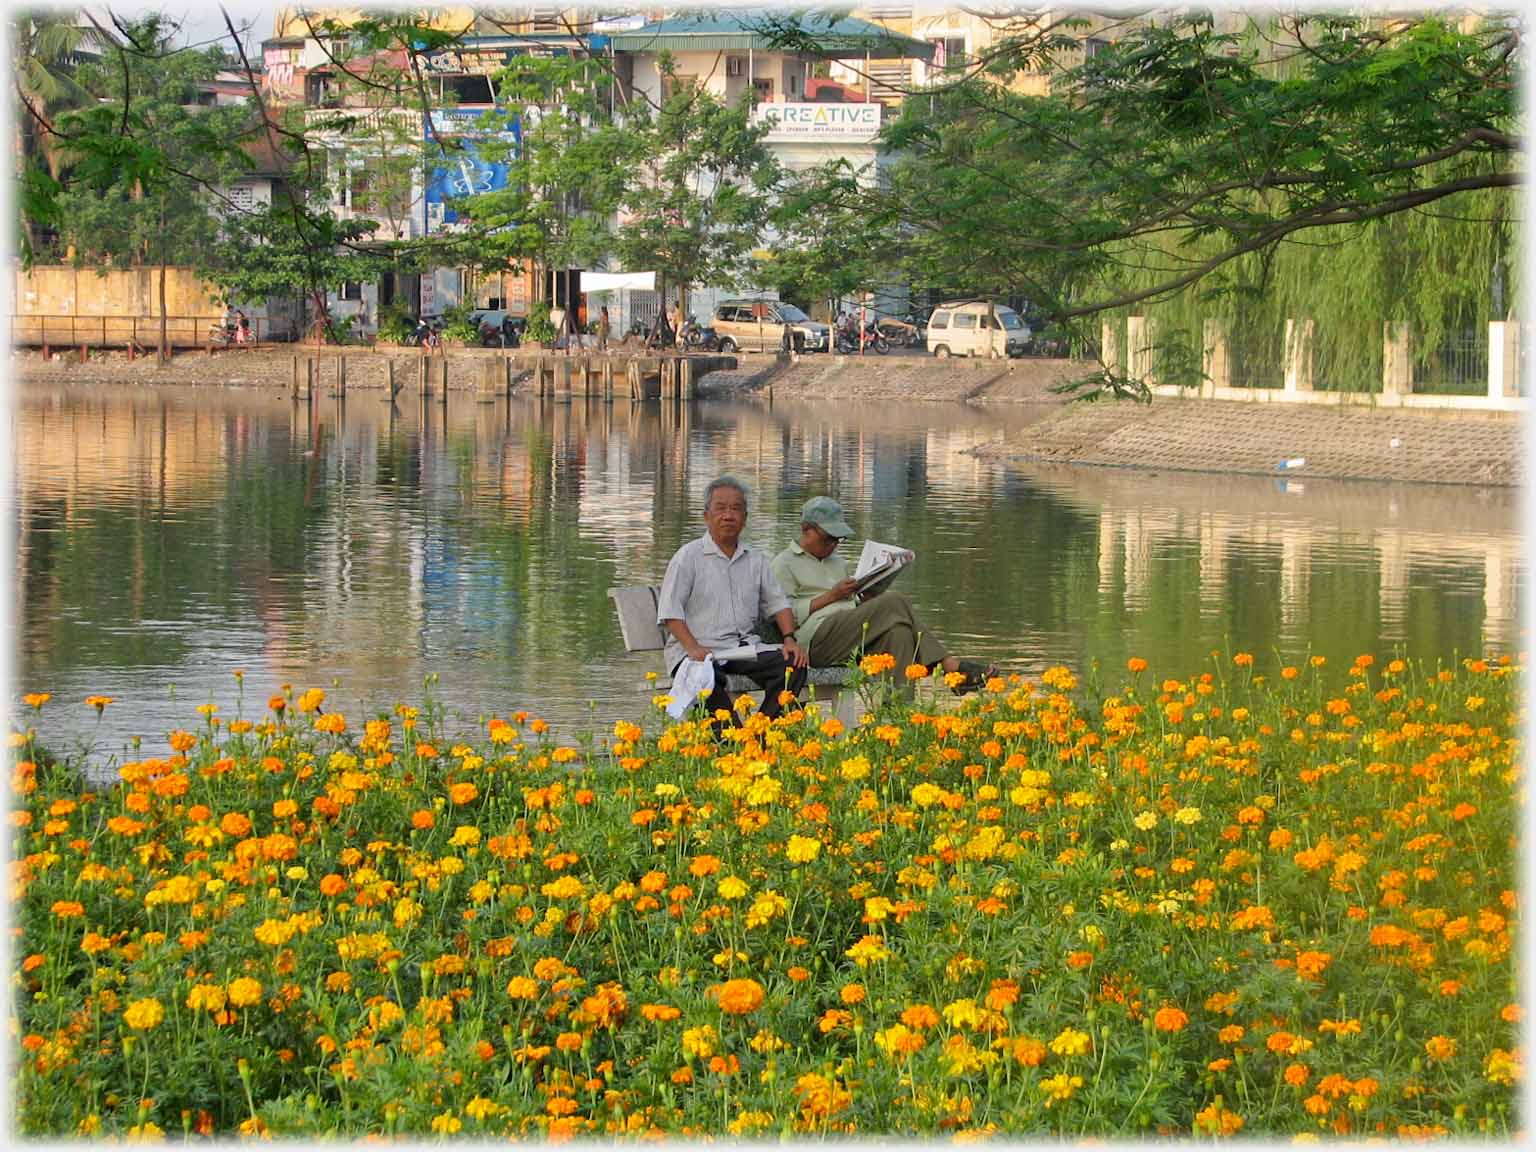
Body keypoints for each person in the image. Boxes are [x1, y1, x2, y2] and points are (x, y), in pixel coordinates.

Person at [770, 495, 996, 694]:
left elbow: (847, 605)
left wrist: (864, 598)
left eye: (838, 540)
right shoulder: (784, 563)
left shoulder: (836, 562)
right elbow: (783, 617)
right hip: (816, 642)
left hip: (851, 634)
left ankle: (896, 718)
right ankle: (949, 666)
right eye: (828, 538)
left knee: (900, 634)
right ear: (806, 530)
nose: (833, 545)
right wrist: (831, 596)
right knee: (895, 601)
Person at [657, 476, 808, 724]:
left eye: (736, 509)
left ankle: (760, 735)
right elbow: (670, 613)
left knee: (793, 664)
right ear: (706, 515)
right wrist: (693, 648)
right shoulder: (688, 557)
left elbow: (779, 604)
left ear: (745, 519)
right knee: (707, 681)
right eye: (721, 508)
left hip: (741, 650)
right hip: (696, 652)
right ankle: (731, 743)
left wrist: (790, 639)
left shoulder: (756, 560)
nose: (728, 515)